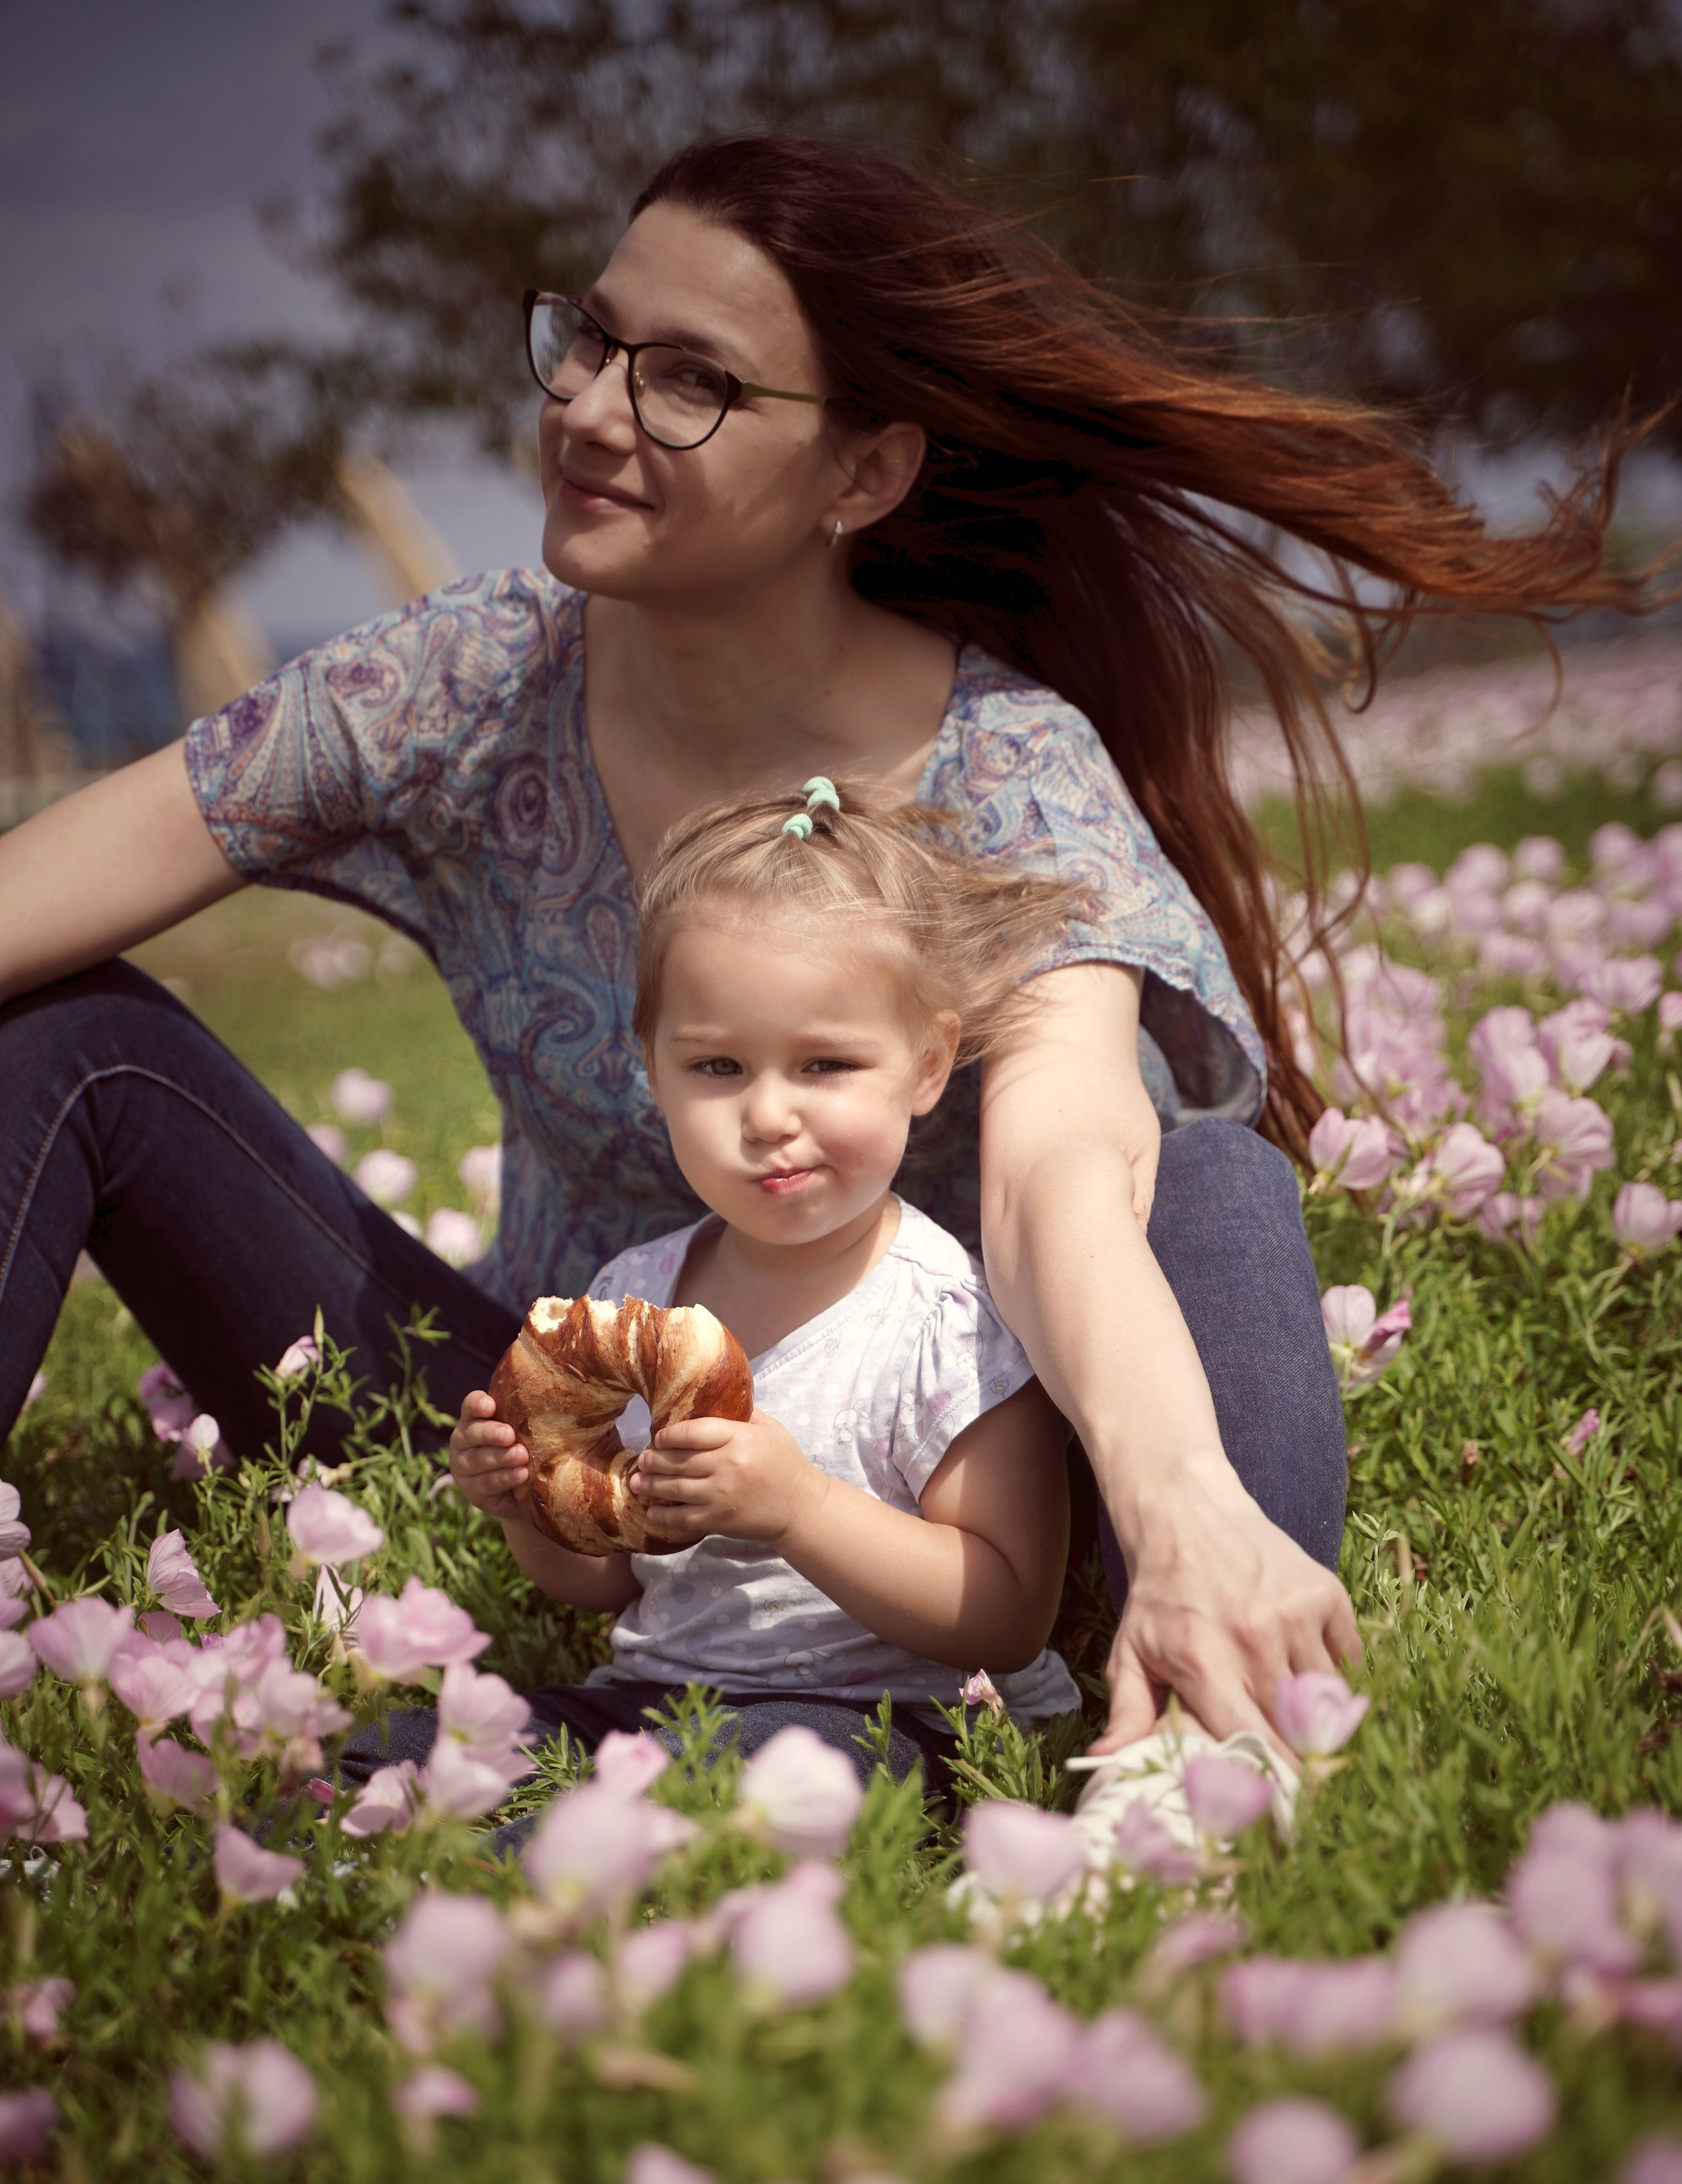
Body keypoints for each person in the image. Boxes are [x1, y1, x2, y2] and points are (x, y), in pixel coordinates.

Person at [0, 133, 1641, 1766]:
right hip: (564, 1468)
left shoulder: (1007, 770)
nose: (585, 408)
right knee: (61, 1037)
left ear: (862, 475)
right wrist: (539, 1479)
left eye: (690, 381)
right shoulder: (462, 681)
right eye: (590, 338)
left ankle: (1206, 1691)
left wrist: (1177, 1494)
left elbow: (1053, 1168)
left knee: (1198, 1174)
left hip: (937, 1498)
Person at [436, 777, 1080, 1789]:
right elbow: (603, 1581)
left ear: (925, 1065)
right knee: (425, 1748)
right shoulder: (637, 1294)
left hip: (891, 1718)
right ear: (655, 1070)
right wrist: (525, 1504)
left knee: (732, 1776)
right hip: (657, 1701)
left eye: (823, 1064)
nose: (770, 1114)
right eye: (719, 1068)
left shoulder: (946, 1316)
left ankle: (544, 1863)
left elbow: (1005, 1610)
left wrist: (802, 1508)